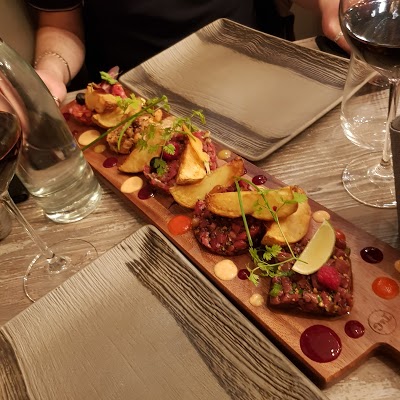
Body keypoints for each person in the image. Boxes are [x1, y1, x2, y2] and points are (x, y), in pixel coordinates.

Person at [25, 0, 347, 105]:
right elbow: (60, 25)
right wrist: (50, 71)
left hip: (259, 77)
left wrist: (333, 5)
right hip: (138, 99)